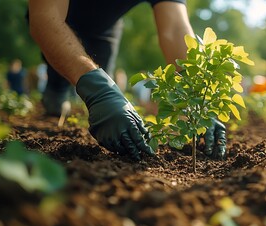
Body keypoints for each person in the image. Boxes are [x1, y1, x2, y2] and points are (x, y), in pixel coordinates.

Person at [27, 0, 226, 161]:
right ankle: (55, 89)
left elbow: (174, 29)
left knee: (106, 86)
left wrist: (195, 93)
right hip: (58, 17)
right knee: (60, 100)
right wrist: (97, 90)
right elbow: (45, 18)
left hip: (104, 26)